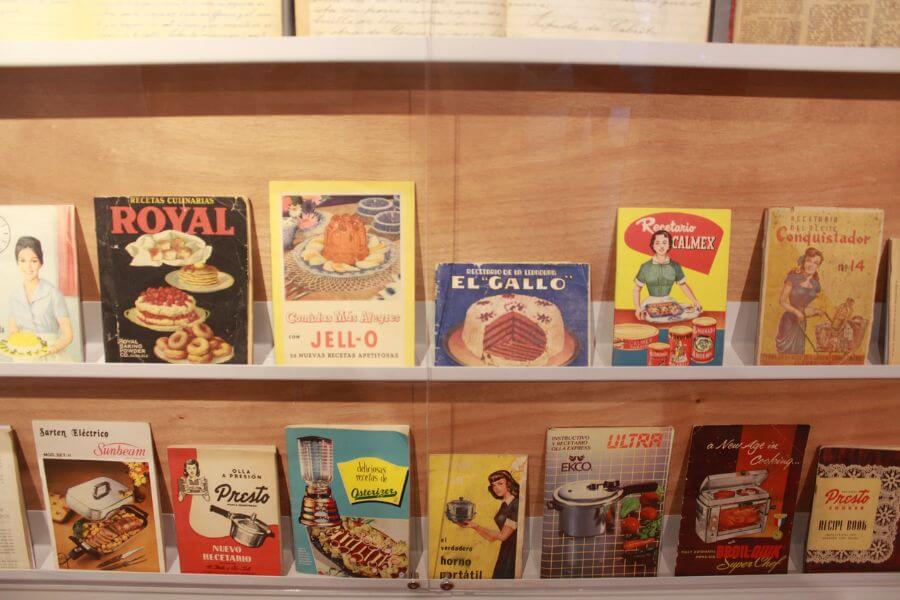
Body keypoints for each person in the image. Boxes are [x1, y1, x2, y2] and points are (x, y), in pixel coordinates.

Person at [7, 236, 73, 355]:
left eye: (34, 261)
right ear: (17, 262)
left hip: (51, 354)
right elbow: (13, 331)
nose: (28, 266)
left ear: (41, 263)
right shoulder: (14, 296)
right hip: (23, 355)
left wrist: (53, 348)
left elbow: (68, 334)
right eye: (22, 260)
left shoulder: (53, 293)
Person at [457, 470, 520, 579]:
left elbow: (503, 536)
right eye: (493, 485)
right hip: (505, 550)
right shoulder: (504, 504)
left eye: (500, 483)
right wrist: (473, 526)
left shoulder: (516, 504)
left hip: (514, 552)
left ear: (509, 484)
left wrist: (477, 526)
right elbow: (492, 538)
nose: (496, 488)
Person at [632, 230, 702, 320]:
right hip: (650, 304)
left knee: (689, 314)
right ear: (653, 245)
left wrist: (695, 301)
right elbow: (637, 290)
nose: (661, 246)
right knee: (649, 318)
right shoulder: (645, 266)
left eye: (664, 243)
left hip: (670, 303)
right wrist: (637, 308)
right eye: (657, 243)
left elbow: (683, 285)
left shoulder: (675, 266)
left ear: (669, 245)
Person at [775, 247, 824, 354]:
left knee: (798, 354)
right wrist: (796, 312)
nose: (811, 265)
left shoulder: (816, 285)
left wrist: (815, 311)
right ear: (804, 261)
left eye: (815, 263)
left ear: (818, 266)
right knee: (785, 355)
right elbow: (782, 301)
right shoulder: (793, 278)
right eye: (809, 261)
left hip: (801, 323)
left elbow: (802, 307)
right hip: (788, 322)